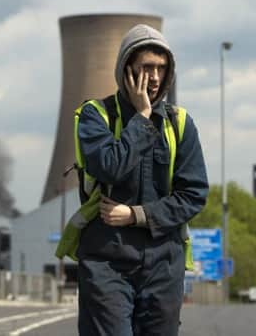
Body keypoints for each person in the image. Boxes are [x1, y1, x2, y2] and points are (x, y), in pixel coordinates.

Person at [75, 24, 209, 336]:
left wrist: (138, 215)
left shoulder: (180, 124)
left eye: (161, 68)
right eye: (146, 68)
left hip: (164, 263)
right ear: (126, 69)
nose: (154, 77)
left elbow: (194, 194)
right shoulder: (95, 116)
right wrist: (142, 118)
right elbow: (109, 167)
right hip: (106, 261)